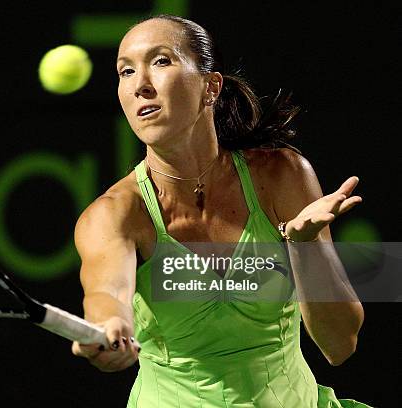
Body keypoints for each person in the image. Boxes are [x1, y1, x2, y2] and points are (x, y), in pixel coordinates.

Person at [70, 14, 372, 408]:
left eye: (161, 61)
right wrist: (109, 329)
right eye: (125, 72)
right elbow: (106, 296)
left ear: (210, 87)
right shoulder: (114, 214)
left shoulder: (280, 175)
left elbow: (340, 344)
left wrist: (304, 244)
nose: (140, 85)